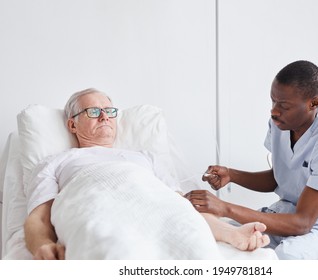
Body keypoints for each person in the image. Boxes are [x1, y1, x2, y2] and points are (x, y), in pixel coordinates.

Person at [23, 88, 270, 260]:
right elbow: (40, 217)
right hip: (94, 204)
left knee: (190, 241)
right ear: (72, 125)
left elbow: (178, 207)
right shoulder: (57, 161)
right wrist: (42, 245)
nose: (105, 117)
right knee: (108, 247)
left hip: (149, 200)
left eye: (109, 111)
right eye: (94, 112)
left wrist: (229, 232)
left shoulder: (144, 157)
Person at [185, 60, 318, 260]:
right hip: (286, 212)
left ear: (314, 103)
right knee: (219, 235)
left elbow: (302, 223)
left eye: (284, 105)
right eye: (273, 101)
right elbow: (279, 177)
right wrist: (231, 175)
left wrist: (225, 208)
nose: (274, 111)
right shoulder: (280, 124)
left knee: (288, 256)